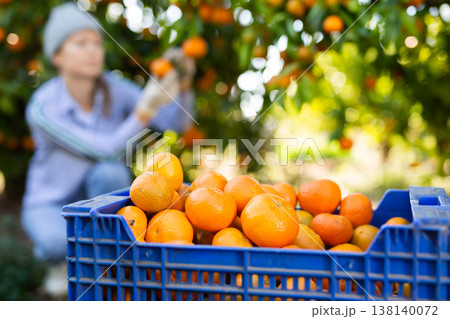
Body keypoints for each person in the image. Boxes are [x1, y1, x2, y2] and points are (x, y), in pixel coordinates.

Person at [20, 3, 195, 294]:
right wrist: (142, 111)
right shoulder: (43, 106)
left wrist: (184, 84)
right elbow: (102, 149)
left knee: (111, 173)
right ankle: (66, 262)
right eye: (81, 43)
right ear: (57, 56)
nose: (92, 50)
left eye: (97, 43)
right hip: (50, 203)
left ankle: (100, 265)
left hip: (100, 193)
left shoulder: (116, 88)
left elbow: (175, 123)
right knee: (57, 242)